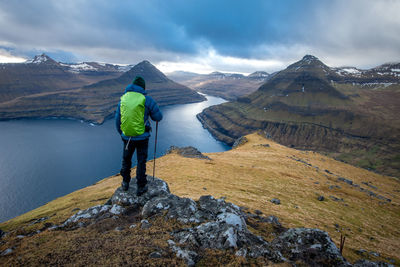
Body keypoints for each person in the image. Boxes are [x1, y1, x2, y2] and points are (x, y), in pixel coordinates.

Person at [115, 76, 163, 195]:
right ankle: (141, 186)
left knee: (126, 160)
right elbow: (158, 117)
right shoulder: (147, 99)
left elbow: (117, 119)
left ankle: (125, 183)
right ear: (143, 88)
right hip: (142, 137)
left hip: (127, 137)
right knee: (141, 161)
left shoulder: (123, 99)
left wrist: (122, 133)